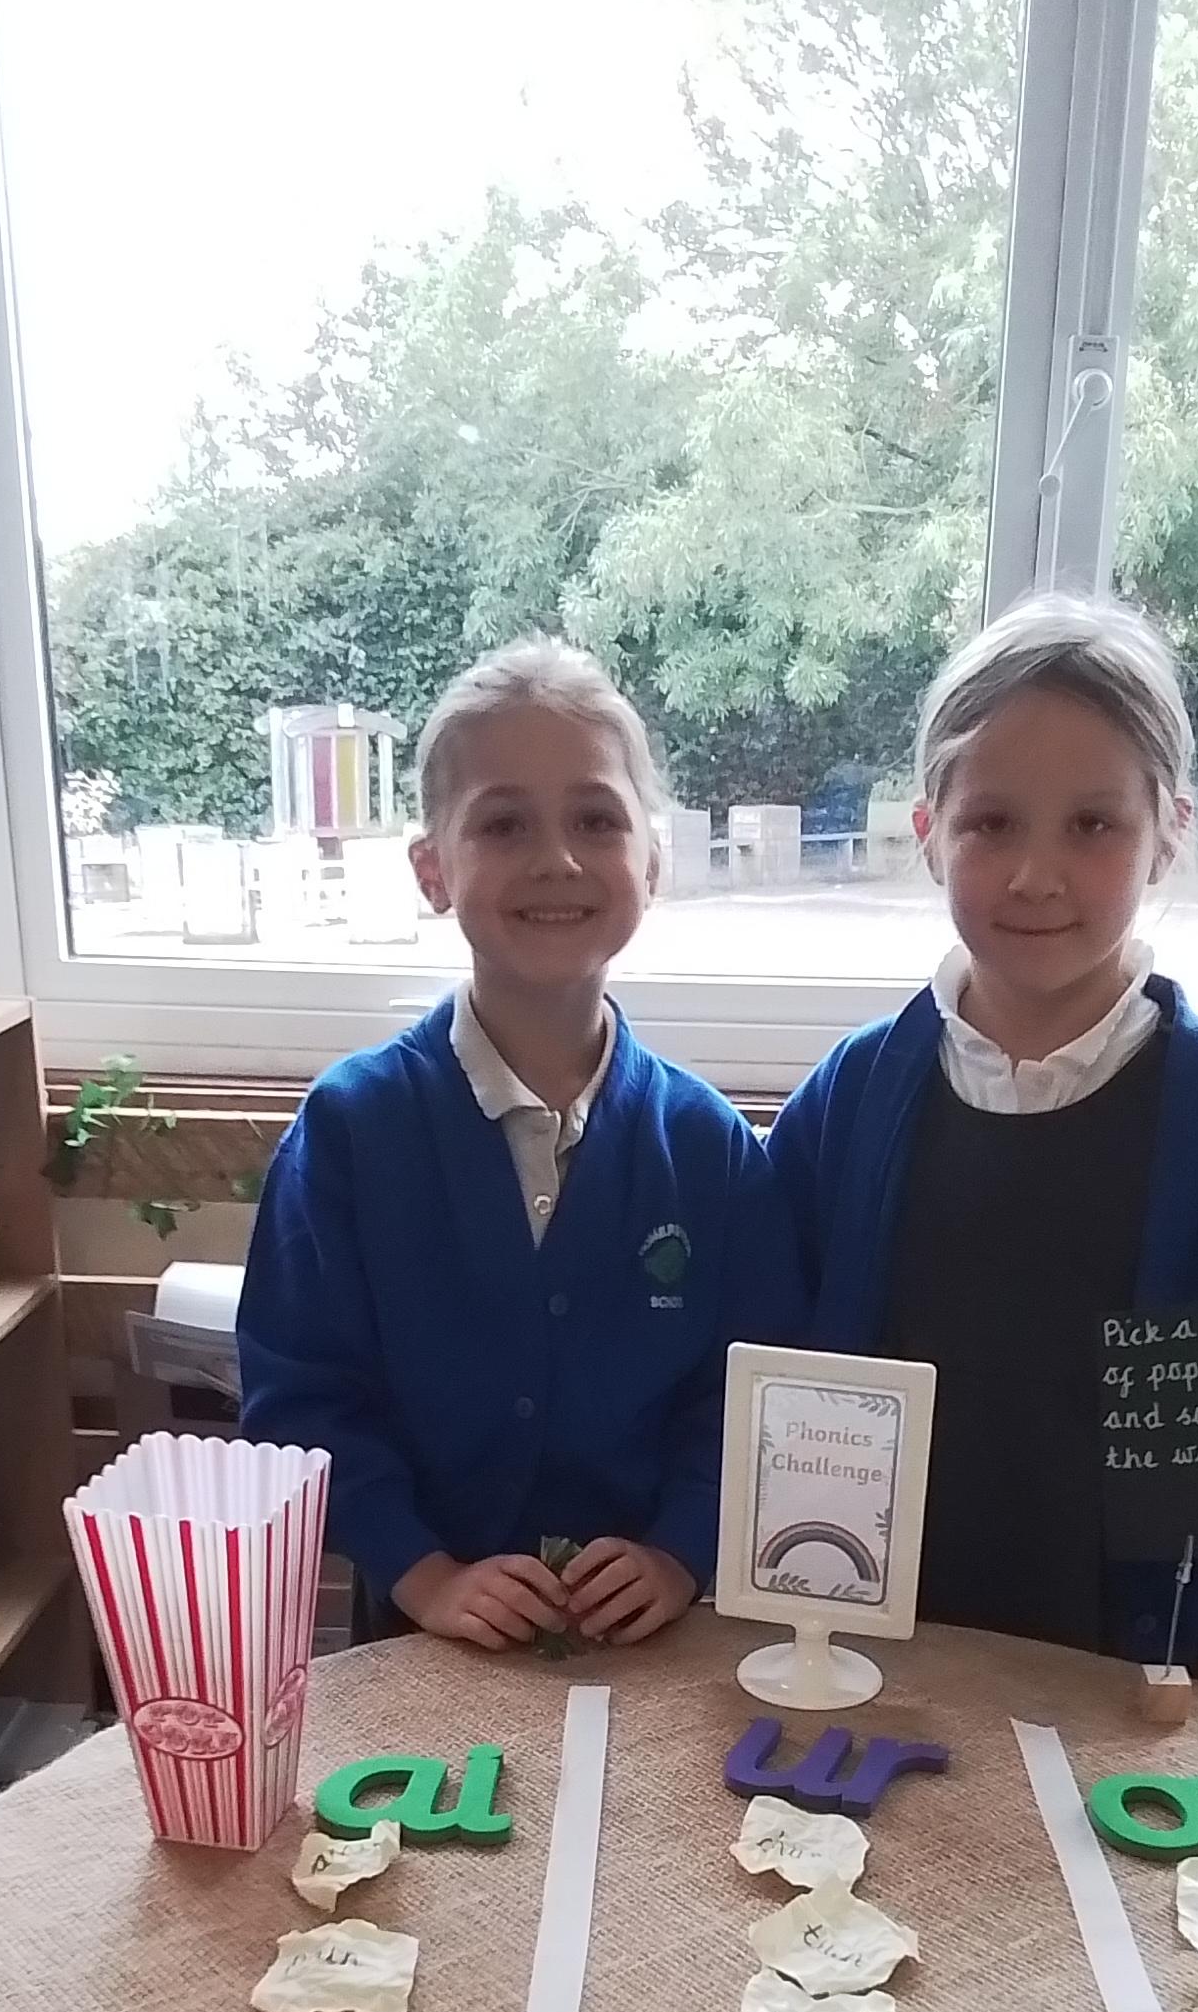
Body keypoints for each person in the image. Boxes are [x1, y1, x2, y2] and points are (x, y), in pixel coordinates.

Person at [768, 593, 1198, 1708]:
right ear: (928, 830)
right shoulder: (855, 1099)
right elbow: (766, 1351)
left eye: (1091, 826)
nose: (1035, 876)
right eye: (992, 824)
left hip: (1117, 1662)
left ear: (1168, 830)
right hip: (868, 1658)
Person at [239, 639, 799, 1650]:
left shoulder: (709, 1150)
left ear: (652, 860)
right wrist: (427, 1575)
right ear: (432, 870)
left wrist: (680, 1552)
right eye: (503, 824)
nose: (557, 860)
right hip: (419, 1642)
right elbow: (301, 1399)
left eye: (596, 820)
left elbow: (752, 1398)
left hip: (654, 1647)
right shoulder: (351, 1131)